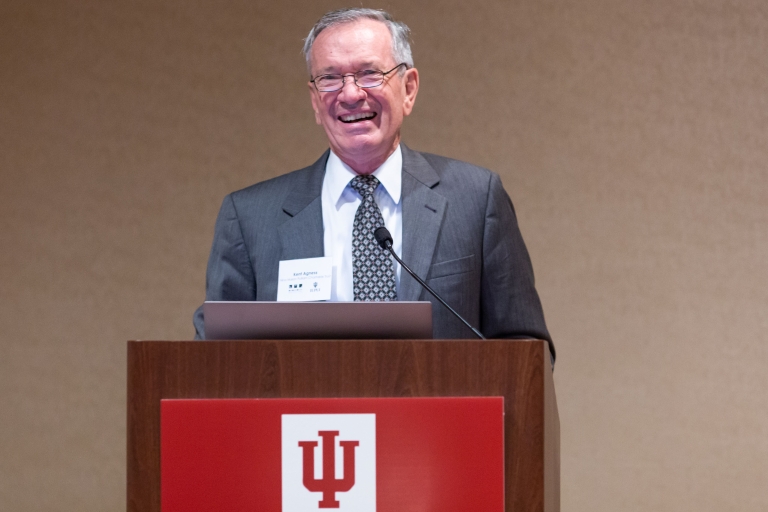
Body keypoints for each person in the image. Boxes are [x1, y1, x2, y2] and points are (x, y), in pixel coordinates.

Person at [193, 8, 554, 361]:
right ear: (316, 101)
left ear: (408, 88)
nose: (350, 94)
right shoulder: (250, 217)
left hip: (435, 422)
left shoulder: (475, 199)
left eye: (369, 74)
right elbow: (215, 360)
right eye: (330, 78)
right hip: (307, 423)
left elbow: (523, 351)